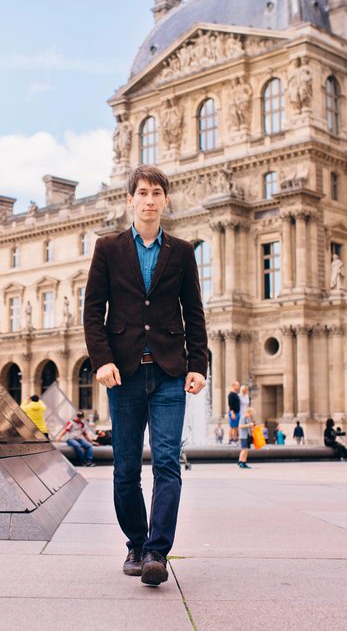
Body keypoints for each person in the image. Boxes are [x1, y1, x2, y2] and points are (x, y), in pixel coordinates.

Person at [83, 164, 208, 587]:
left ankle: (157, 551)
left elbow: (194, 312)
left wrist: (198, 365)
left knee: (168, 462)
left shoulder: (182, 251)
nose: (149, 200)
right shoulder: (108, 248)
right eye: (143, 193)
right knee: (125, 469)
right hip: (125, 373)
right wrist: (102, 360)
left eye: (156, 193)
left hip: (170, 372)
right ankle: (136, 543)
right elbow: (93, 312)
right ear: (130, 199)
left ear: (165, 200)